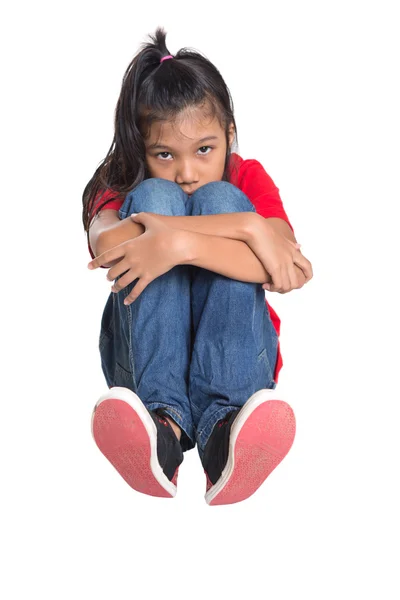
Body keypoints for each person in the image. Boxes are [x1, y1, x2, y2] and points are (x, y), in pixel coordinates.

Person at [83, 27, 313, 506]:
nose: (186, 172)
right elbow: (107, 245)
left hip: (239, 364)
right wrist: (247, 234)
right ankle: (160, 431)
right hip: (141, 362)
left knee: (221, 197)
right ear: (140, 148)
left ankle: (224, 432)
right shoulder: (120, 181)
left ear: (229, 135)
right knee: (155, 196)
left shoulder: (246, 177)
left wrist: (189, 240)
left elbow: (288, 266)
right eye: (164, 154)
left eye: (204, 150)